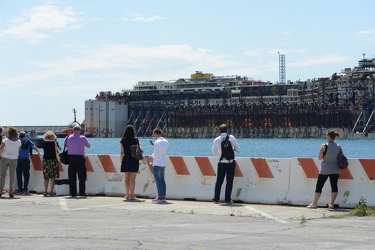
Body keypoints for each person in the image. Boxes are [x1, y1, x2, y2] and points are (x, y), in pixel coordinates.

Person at [307, 129, 342, 209]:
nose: (326, 136)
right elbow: (340, 157)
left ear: (329, 136)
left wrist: (320, 150)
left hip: (325, 169)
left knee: (319, 186)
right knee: (334, 186)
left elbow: (320, 158)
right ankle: (331, 204)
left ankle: (314, 203)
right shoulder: (338, 146)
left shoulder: (324, 146)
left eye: (326, 135)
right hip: (335, 169)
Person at [212, 123, 240, 205]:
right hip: (231, 162)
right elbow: (238, 148)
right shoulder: (231, 137)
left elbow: (214, 152)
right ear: (227, 130)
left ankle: (216, 199)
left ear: (219, 131)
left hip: (221, 163)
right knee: (229, 182)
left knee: (219, 182)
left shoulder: (216, 140)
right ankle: (227, 199)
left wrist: (220, 152)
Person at [65, 124, 90, 198]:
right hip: (80, 158)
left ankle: (73, 193)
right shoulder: (83, 137)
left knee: (72, 176)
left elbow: (66, 145)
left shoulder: (68, 137)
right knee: (82, 176)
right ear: (80, 130)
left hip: (71, 158)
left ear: (73, 130)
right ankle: (82, 192)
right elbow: (88, 146)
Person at [120, 125, 141, 200]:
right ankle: (132, 195)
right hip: (134, 160)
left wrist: (121, 161)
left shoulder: (123, 140)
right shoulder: (136, 140)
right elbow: (139, 151)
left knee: (126, 179)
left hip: (126, 159)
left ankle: (127, 195)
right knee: (132, 179)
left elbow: (122, 152)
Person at [148, 128, 169, 204]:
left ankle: (160, 196)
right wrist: (155, 145)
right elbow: (162, 150)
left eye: (154, 135)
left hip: (157, 164)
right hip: (163, 163)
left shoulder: (157, 142)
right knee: (162, 180)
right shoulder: (166, 141)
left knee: (158, 181)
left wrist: (150, 156)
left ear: (156, 134)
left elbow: (156, 155)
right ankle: (163, 195)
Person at [0, 126, 21, 198]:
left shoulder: (5, 140)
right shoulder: (18, 141)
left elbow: (1, 149)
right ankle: (11, 191)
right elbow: (18, 150)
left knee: (2, 175)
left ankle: (1, 190)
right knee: (12, 176)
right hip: (14, 159)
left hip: (4, 158)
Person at [42, 131, 61, 196]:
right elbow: (59, 149)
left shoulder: (43, 143)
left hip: (45, 161)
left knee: (46, 177)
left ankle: (45, 191)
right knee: (52, 177)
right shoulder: (54, 143)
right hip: (53, 161)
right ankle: (51, 191)